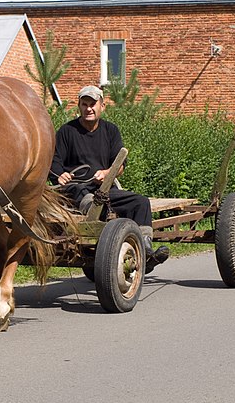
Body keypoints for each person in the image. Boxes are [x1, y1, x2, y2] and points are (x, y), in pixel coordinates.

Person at [51, 85, 169, 272]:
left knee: (140, 202)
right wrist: (60, 174)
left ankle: (145, 249)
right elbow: (54, 161)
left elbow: (119, 164)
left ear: (102, 106)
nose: (89, 108)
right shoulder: (67, 131)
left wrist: (107, 174)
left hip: (104, 189)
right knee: (83, 194)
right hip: (75, 188)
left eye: (93, 104)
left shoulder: (110, 131)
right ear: (79, 107)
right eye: (84, 104)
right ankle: (94, 211)